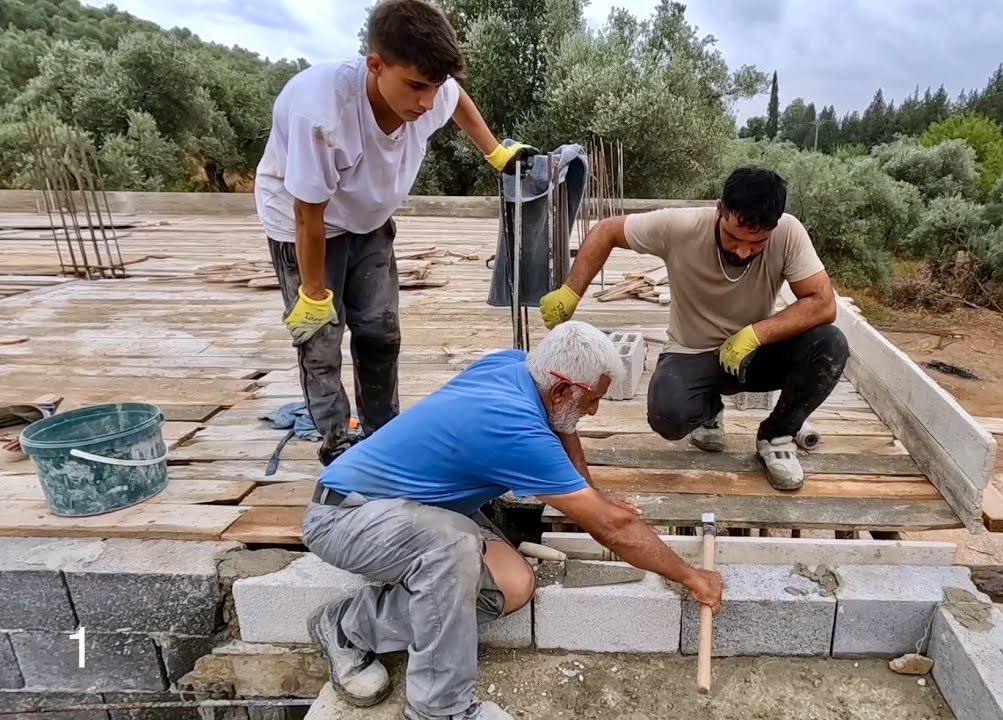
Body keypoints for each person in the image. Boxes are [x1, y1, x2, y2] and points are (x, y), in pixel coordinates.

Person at [301, 321, 724, 720]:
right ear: (560, 388)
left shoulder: (518, 366)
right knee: (452, 549)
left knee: (511, 586)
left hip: (416, 513)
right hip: (346, 517)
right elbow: (612, 529)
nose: (593, 411)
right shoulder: (511, 428)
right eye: (592, 399)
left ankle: (346, 625)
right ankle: (439, 707)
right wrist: (692, 577)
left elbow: (564, 423)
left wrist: (590, 494)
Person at [254, 0, 539, 466]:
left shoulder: (431, 91)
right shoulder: (321, 112)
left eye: (434, 86)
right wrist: (311, 292)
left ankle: (382, 434)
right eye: (415, 86)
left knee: (380, 333)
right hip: (305, 230)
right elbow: (309, 214)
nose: (427, 102)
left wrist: (494, 152)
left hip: (370, 220)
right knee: (322, 340)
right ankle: (335, 442)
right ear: (375, 64)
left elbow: (457, 101)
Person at [538, 168, 849, 491]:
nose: (743, 251)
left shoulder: (788, 233)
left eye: (757, 242)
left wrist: (755, 334)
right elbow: (606, 231)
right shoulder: (681, 226)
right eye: (734, 237)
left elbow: (823, 303)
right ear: (719, 209)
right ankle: (708, 411)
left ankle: (777, 434)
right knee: (667, 416)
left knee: (830, 345)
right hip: (692, 352)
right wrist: (571, 291)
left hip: (754, 353)